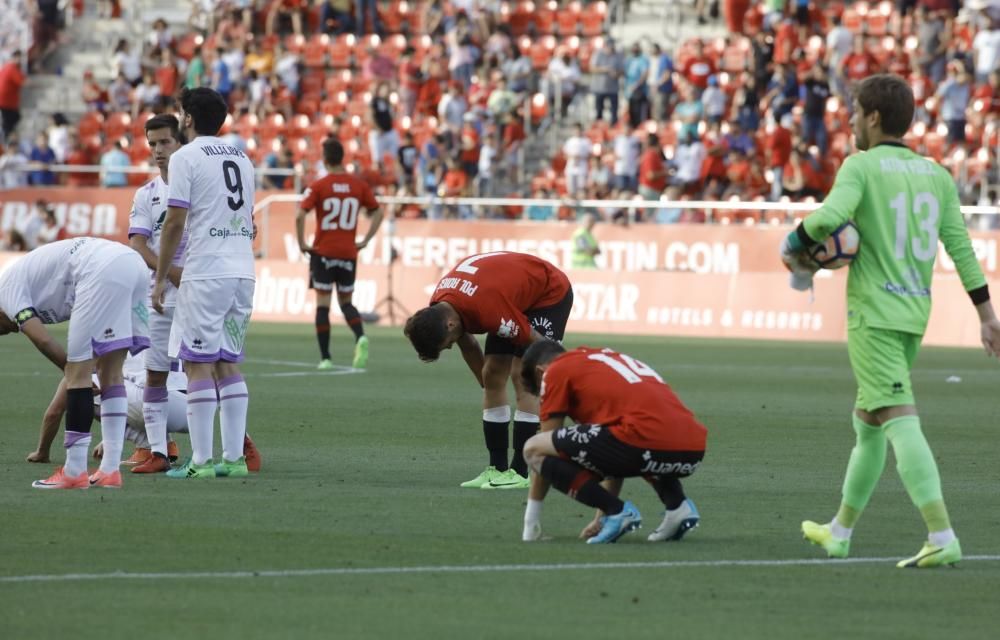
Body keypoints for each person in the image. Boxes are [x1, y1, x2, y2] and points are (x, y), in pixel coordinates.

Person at [780, 74, 1000, 568]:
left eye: (856, 112)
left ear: (874, 117)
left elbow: (828, 217)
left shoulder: (860, 166)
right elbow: (960, 250)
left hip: (873, 316)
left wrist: (793, 244)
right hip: (912, 314)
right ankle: (840, 530)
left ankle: (941, 533)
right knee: (868, 425)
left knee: (898, 418)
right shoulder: (937, 175)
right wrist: (987, 316)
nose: (852, 121)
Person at [152, 87, 256, 480]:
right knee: (228, 362)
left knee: (197, 364)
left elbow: (175, 221)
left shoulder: (186, 157)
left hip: (207, 270)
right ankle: (233, 460)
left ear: (189, 119)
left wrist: (161, 278)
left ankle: (200, 463)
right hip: (243, 269)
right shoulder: (243, 158)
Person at [404, 252, 574, 490]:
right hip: (508, 297)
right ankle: (497, 468)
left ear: (449, 325)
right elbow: (470, 346)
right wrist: (491, 389)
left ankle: (520, 471)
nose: (452, 345)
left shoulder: (486, 309)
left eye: (447, 343)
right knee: (492, 372)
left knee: (522, 374)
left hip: (548, 293)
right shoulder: (443, 306)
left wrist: (568, 375)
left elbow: (538, 344)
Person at [519, 341, 707, 544]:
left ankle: (618, 512)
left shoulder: (555, 371)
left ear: (540, 373)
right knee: (637, 437)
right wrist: (601, 520)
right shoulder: (599, 360)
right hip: (692, 448)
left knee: (533, 449)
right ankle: (677, 507)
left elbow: (545, 446)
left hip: (643, 439)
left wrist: (531, 522)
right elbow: (610, 451)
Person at [0, 237, 151, 489]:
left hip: (100, 269)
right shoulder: (19, 284)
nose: (10, 331)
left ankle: (74, 470)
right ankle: (110, 471)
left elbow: (43, 340)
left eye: (2, 329)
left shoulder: (5, 291)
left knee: (80, 371)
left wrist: (71, 371)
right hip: (133, 265)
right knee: (110, 372)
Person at [125, 114, 187, 473]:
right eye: (152, 144)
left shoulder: (199, 186)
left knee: (207, 366)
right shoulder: (146, 194)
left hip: (196, 290)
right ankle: (158, 451)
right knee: (155, 372)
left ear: (180, 143)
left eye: (165, 142)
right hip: (159, 295)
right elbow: (137, 245)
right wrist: (168, 273)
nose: (158, 151)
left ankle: (239, 440)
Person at [296, 138, 384, 370]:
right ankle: (360, 337)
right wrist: (365, 240)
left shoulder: (319, 185)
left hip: (323, 252)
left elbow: (299, 215)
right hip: (348, 252)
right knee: (346, 303)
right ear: (342, 158)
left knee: (323, 305)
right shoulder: (358, 186)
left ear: (325, 159)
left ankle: (325, 358)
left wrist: (302, 243)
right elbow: (377, 212)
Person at [0, 51, 26, 137]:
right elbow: (22, 82)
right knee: (10, 121)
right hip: (7, 101)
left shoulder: (6, 67)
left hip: (6, 100)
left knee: (10, 120)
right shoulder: (12, 68)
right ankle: (8, 136)